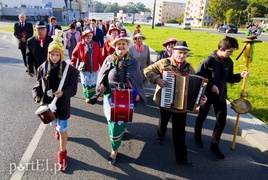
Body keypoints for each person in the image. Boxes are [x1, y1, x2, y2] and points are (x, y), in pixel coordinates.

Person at [144, 41, 207, 167]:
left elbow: (197, 87)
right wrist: (157, 79)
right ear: (173, 51)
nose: (182, 55)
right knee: (163, 122)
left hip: (181, 108)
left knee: (180, 134)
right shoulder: (164, 63)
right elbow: (147, 70)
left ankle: (181, 158)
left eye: (184, 53)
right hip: (165, 102)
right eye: (179, 52)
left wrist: (201, 99)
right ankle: (161, 135)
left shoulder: (189, 68)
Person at [194, 36, 249, 159]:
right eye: (229, 51)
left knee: (221, 121)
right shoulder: (207, 61)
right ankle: (197, 136)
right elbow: (197, 77)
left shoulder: (229, 62)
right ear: (220, 48)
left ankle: (214, 144)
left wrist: (240, 76)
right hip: (206, 96)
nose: (231, 54)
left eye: (232, 51)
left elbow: (229, 78)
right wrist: (211, 86)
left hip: (221, 96)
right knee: (201, 117)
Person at [96, 36, 147, 165]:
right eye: (118, 44)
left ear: (127, 46)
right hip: (112, 97)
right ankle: (114, 149)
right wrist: (101, 86)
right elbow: (102, 75)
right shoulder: (108, 60)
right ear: (114, 46)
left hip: (129, 98)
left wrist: (138, 94)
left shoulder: (134, 62)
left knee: (122, 121)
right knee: (114, 124)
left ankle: (120, 135)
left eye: (124, 44)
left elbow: (138, 79)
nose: (121, 47)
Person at [32, 30, 79, 170]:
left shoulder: (70, 70)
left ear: (61, 55)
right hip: (48, 104)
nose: (54, 57)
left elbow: (73, 88)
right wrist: (37, 95)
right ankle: (57, 130)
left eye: (57, 54)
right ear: (48, 54)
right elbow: (37, 84)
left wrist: (64, 93)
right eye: (52, 54)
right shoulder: (42, 67)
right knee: (53, 124)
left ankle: (63, 153)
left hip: (62, 105)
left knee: (63, 128)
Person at [71, 30, 103, 103]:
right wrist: (73, 65)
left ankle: (95, 96)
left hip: (95, 68)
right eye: (87, 35)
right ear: (84, 36)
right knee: (86, 84)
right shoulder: (79, 45)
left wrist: (102, 66)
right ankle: (88, 97)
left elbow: (100, 57)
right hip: (85, 69)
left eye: (90, 35)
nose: (89, 37)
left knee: (95, 83)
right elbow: (74, 55)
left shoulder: (96, 45)